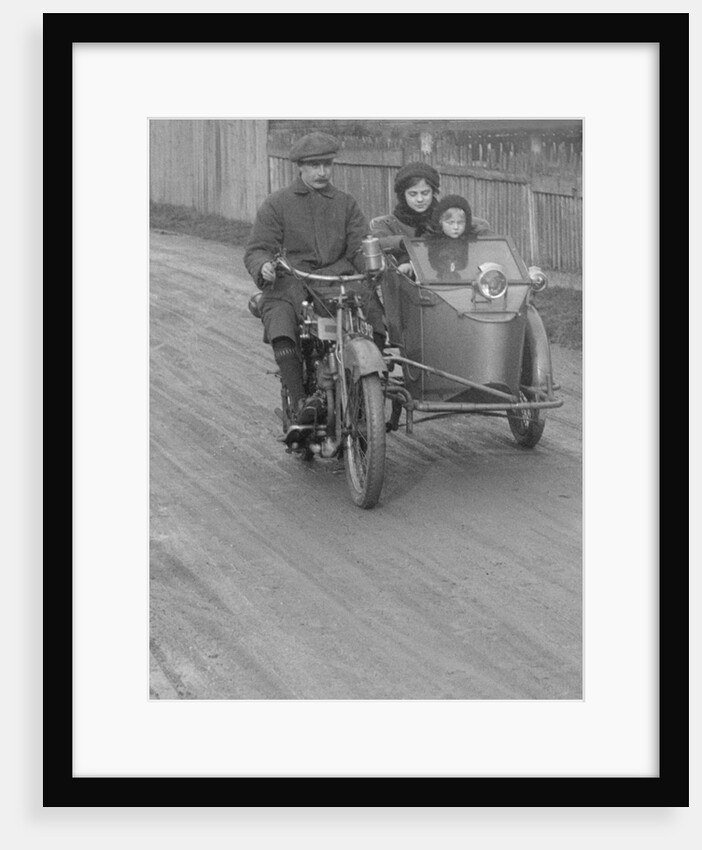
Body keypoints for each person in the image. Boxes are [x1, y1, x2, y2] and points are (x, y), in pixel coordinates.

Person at [244, 131, 386, 426]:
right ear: (300, 167)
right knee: (279, 316)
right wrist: (264, 267)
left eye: (327, 165)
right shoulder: (278, 204)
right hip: (294, 279)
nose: (322, 172)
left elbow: (358, 245)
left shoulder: (346, 203)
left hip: (339, 278)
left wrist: (370, 265)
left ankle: (368, 391)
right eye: (314, 166)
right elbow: (258, 248)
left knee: (374, 314)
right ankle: (299, 401)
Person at [370, 162, 492, 275]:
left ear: (433, 192)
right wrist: (403, 242)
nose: (419, 199)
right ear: (403, 194)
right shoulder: (387, 224)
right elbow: (377, 243)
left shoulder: (448, 218)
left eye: (425, 193)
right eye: (413, 194)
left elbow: (482, 230)